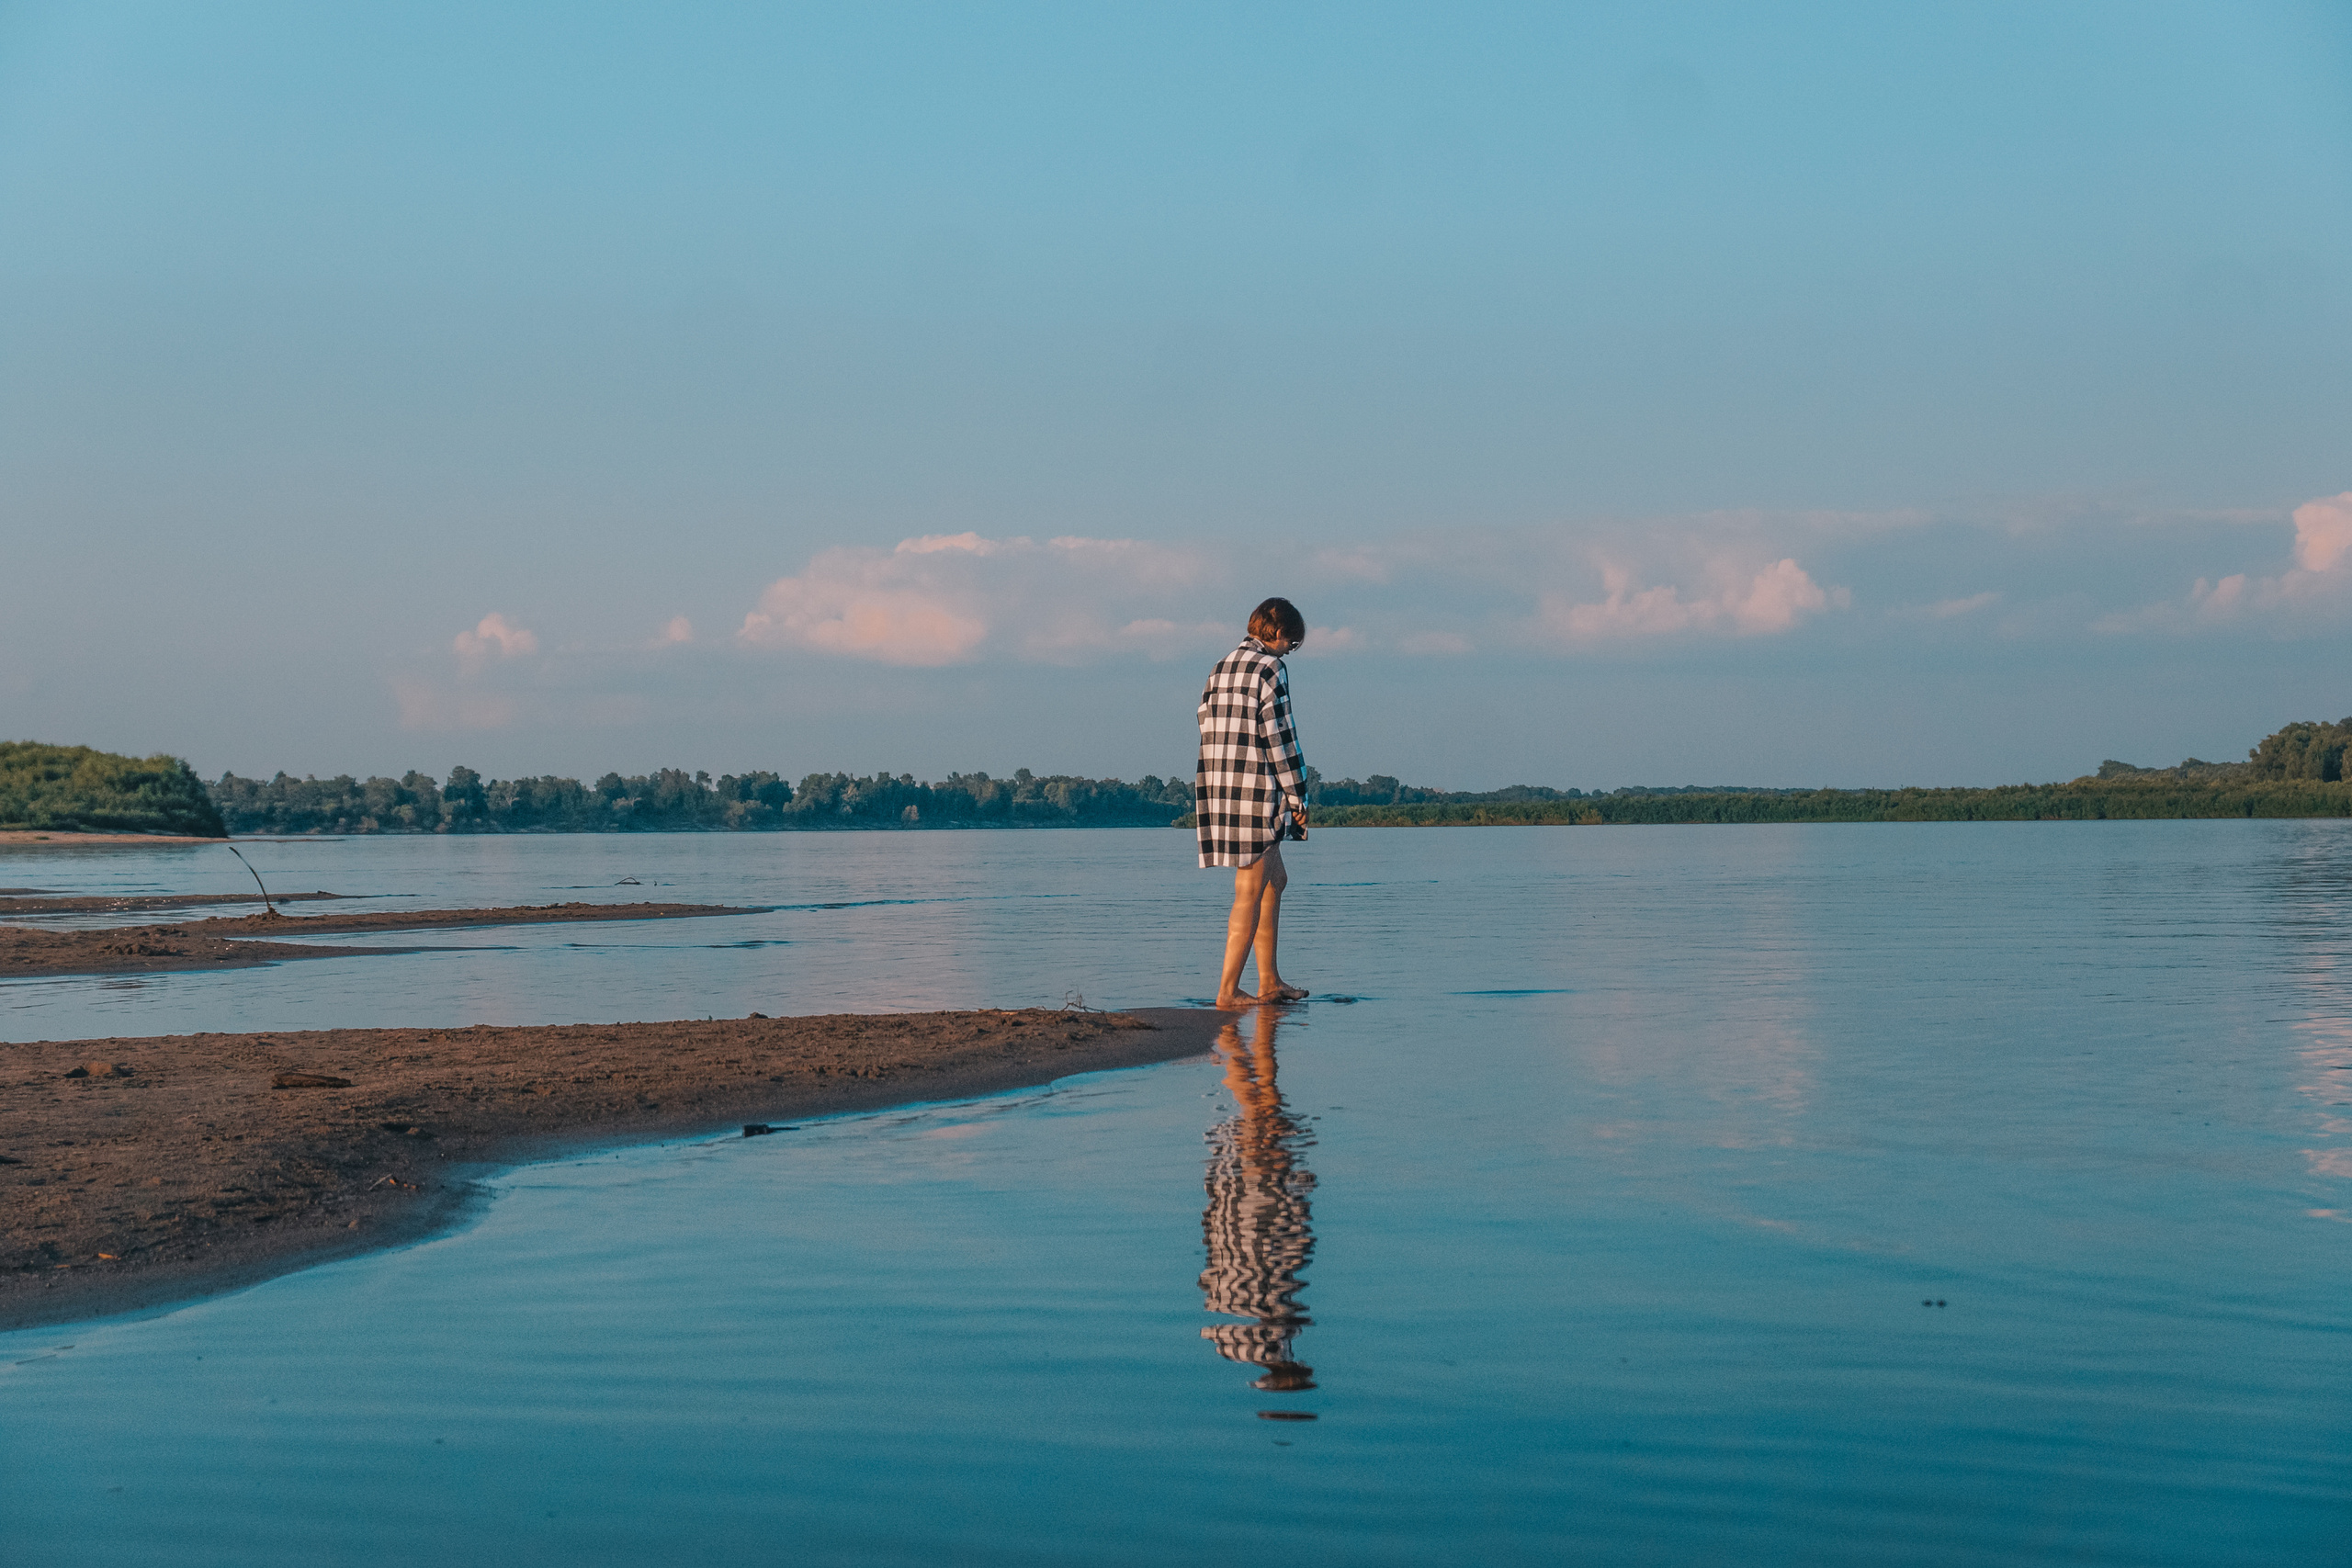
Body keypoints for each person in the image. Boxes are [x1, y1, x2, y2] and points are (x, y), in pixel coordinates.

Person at [1196, 596, 1309, 1008]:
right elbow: (1281, 737)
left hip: (1220, 789)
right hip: (1257, 791)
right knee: (1249, 889)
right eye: (1291, 645)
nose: (1289, 653)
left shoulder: (1220, 666)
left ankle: (1270, 981)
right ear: (1279, 635)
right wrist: (1298, 794)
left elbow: (1204, 720)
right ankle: (1227, 992)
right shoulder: (1271, 668)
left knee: (1275, 881)